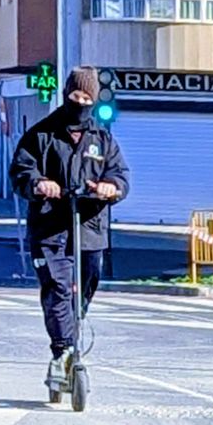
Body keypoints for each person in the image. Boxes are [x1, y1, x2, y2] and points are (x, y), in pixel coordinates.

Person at [9, 67, 130, 386]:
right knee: (58, 289)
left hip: (89, 229)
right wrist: (38, 184)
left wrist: (111, 187)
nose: (81, 102)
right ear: (66, 95)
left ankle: (71, 342)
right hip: (50, 228)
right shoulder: (41, 134)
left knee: (83, 293)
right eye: (76, 96)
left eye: (87, 98)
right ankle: (62, 352)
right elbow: (21, 172)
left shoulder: (102, 139)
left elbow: (120, 176)